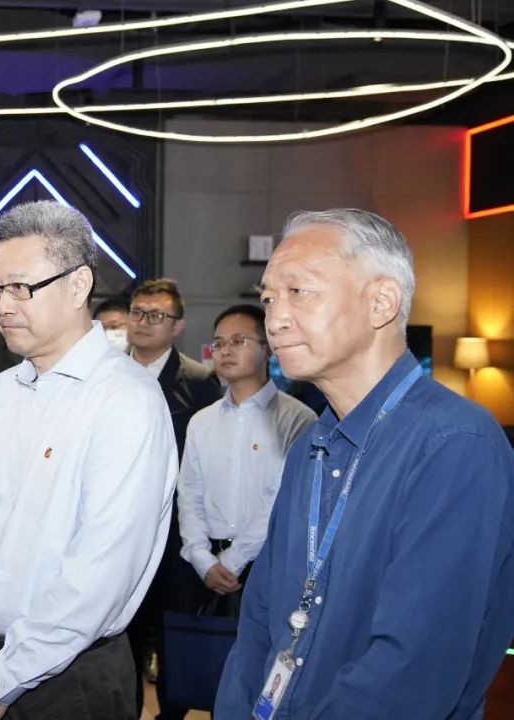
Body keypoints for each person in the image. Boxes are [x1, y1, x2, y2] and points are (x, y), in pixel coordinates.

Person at [215, 209, 514, 719]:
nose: (275, 318)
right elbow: (258, 624)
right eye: (268, 298)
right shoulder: (309, 446)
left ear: (381, 302)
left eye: (298, 291)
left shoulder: (454, 445)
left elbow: (412, 672)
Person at [0, 200, 178, 720]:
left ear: (79, 285)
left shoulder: (125, 400)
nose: (3, 305)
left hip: (69, 680)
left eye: (21, 287)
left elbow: (99, 575)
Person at [125, 277, 223, 719]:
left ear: (178, 325)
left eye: (156, 315)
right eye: (137, 312)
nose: (144, 322)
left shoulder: (201, 382)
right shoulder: (105, 374)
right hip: (117, 532)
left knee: (172, 645)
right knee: (119, 642)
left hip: (175, 537)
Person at [176, 305, 316, 616]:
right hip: (205, 569)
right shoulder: (201, 421)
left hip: (269, 563)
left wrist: (233, 560)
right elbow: (189, 494)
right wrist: (201, 558)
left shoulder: (297, 419)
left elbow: (283, 499)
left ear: (268, 349)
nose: (225, 351)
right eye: (218, 343)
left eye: (238, 341)